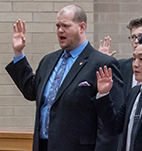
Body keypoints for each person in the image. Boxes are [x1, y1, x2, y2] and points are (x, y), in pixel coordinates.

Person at [5, 4, 124, 151]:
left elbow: (110, 124)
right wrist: (18, 53)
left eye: (66, 26)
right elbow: (31, 91)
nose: (60, 30)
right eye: (58, 26)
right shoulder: (48, 60)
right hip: (43, 145)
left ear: (81, 27)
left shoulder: (101, 63)